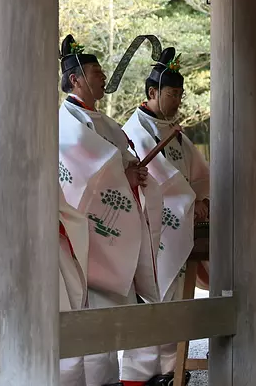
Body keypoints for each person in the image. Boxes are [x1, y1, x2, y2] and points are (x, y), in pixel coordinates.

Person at [58, 35, 158, 386]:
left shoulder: (109, 124)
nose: (103, 78)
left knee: (118, 321)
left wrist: (134, 172)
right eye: (96, 72)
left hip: (115, 233)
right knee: (87, 323)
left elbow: (122, 162)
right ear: (75, 79)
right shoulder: (64, 123)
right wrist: (122, 173)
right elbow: (80, 175)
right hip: (85, 236)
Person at [119, 47, 209, 386]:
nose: (177, 100)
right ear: (152, 93)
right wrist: (190, 198)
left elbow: (198, 172)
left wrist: (200, 196)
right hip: (153, 225)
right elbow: (161, 173)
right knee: (152, 299)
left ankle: (172, 370)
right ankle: (141, 375)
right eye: (172, 93)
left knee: (175, 300)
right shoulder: (136, 129)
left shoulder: (174, 130)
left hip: (179, 223)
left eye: (180, 94)